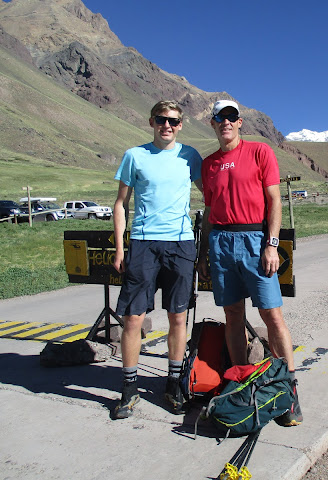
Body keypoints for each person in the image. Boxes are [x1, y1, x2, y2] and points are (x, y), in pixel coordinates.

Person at [197, 100, 302, 427]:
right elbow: (209, 213)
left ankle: (289, 389)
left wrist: (272, 244)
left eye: (231, 116)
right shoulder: (209, 164)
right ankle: (241, 381)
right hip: (221, 242)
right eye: (219, 117)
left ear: (239, 122)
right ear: (213, 123)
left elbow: (274, 201)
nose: (225, 122)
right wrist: (203, 253)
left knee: (272, 315)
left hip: (255, 240)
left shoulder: (260, 152)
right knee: (232, 315)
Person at [111, 100, 203, 419]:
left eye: (173, 121)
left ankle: (173, 384)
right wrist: (121, 248)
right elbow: (120, 204)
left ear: (181, 125)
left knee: (178, 317)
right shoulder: (134, 156)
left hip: (180, 243)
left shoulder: (190, 156)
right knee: (133, 318)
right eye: (161, 119)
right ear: (151, 121)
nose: (167, 125)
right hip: (143, 244)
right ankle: (129, 389)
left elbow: (211, 194)